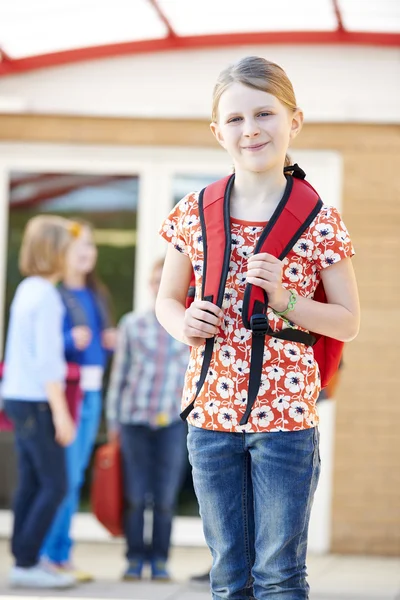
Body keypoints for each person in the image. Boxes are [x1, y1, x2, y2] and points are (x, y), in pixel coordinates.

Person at [156, 56, 360, 600]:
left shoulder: (321, 220)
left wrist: (285, 299)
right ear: (217, 132)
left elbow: (348, 320)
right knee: (229, 574)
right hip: (210, 416)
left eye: (265, 113)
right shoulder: (192, 211)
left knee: (279, 574)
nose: (251, 129)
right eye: (236, 118)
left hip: (287, 419)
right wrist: (184, 323)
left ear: (294, 121)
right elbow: (165, 302)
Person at [2, 215, 78, 589]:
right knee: (55, 484)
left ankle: (25, 561)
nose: (74, 255)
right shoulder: (45, 295)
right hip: (36, 400)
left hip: (19, 396)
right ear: (55, 251)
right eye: (69, 248)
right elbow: (47, 360)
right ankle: (27, 562)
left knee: (33, 483)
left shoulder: (27, 289)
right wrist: (61, 413)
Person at [41, 220, 116, 581]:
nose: (88, 252)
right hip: (67, 395)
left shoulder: (96, 293)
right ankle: (49, 555)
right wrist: (72, 340)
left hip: (92, 393)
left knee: (74, 476)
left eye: (92, 245)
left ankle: (60, 555)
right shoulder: (51, 294)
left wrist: (106, 340)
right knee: (64, 478)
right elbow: (44, 349)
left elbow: (97, 342)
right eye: (80, 245)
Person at [106, 257, 189, 582]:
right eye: (155, 281)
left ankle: (160, 561)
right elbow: (119, 376)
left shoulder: (187, 325)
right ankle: (134, 558)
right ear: (151, 286)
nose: (159, 285)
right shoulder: (132, 324)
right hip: (134, 421)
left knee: (165, 497)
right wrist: (113, 421)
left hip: (171, 422)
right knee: (136, 496)